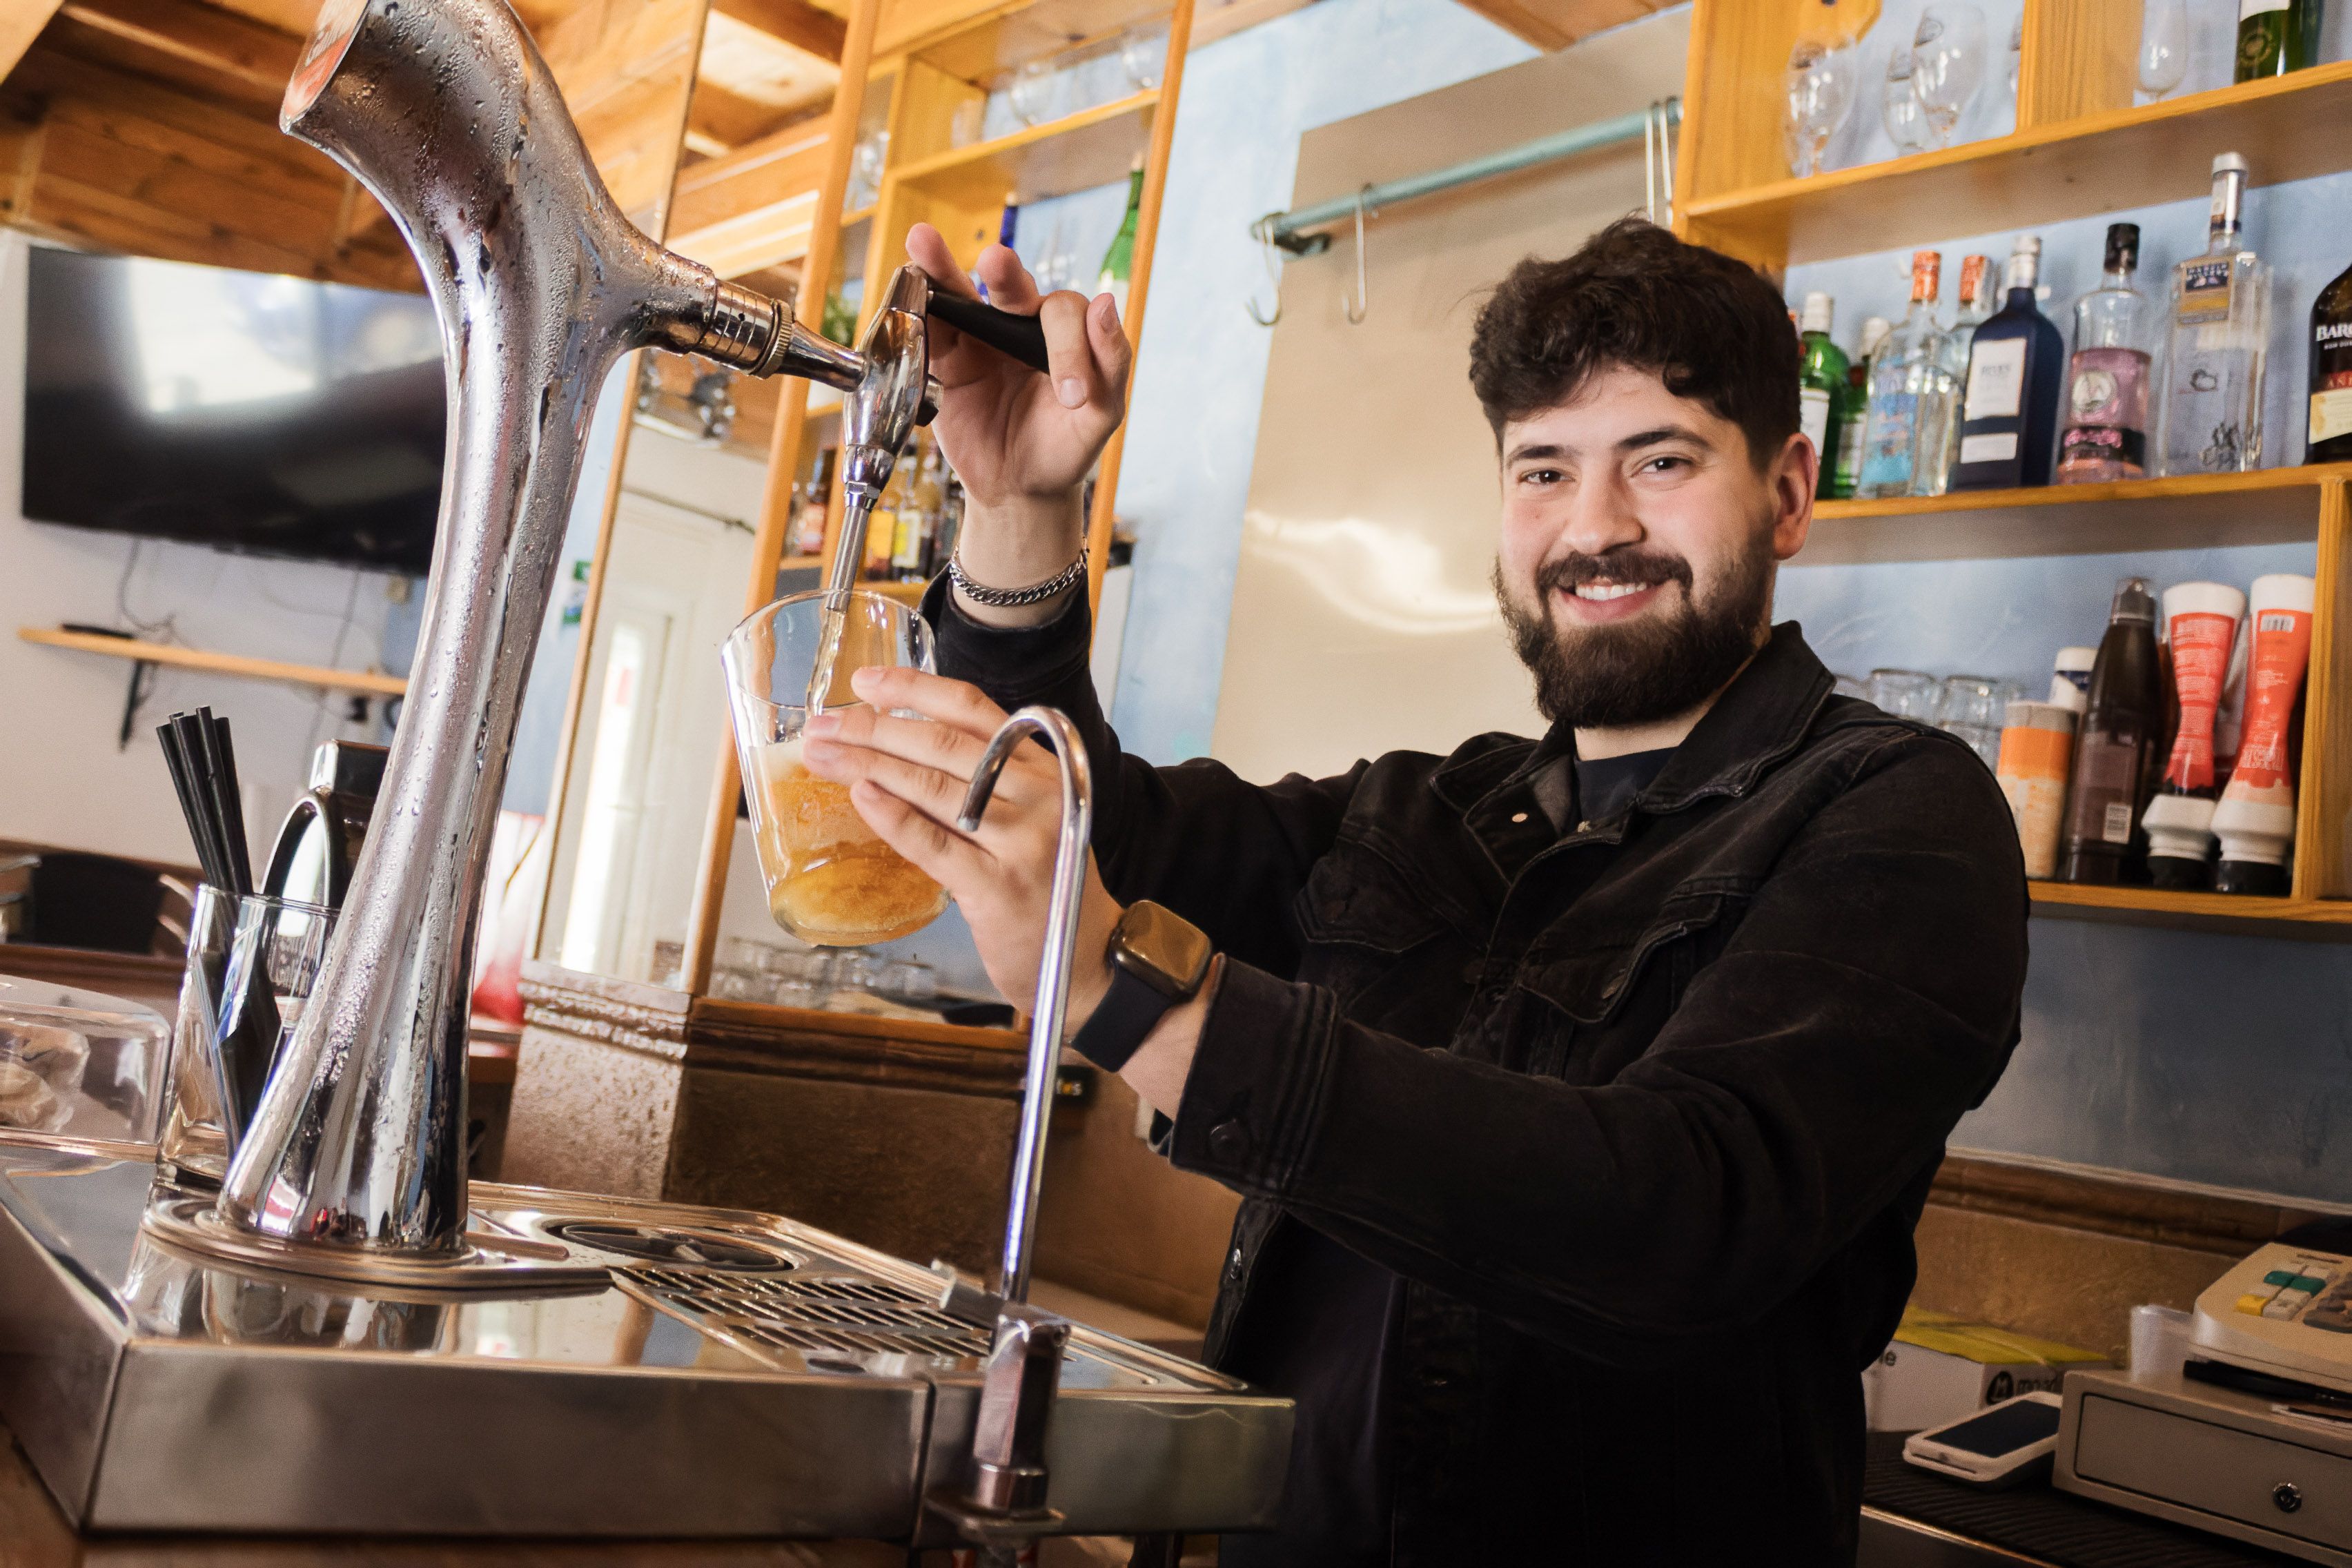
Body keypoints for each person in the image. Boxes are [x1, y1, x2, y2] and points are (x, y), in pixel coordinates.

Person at [801, 217, 2030, 1563]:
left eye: (1661, 461)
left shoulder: (1899, 812)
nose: (1594, 527)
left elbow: (1686, 1215)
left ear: (1788, 492)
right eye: (1544, 469)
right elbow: (1108, 833)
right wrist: (1020, 507)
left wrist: (1131, 997)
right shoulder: (1424, 807)